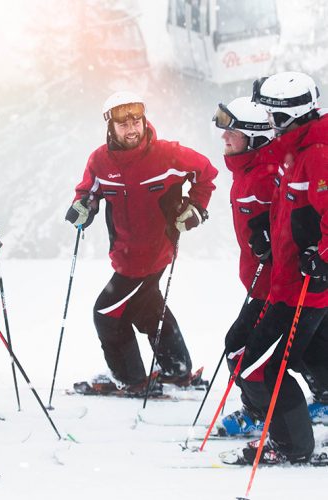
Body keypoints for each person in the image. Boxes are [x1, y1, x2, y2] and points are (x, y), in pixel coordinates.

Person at [65, 91, 218, 395]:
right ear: (111, 127)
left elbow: (206, 175)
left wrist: (196, 208)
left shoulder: (168, 155)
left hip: (152, 252)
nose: (132, 129)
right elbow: (89, 192)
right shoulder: (100, 161)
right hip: (124, 253)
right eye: (123, 124)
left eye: (136, 121)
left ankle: (131, 379)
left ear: (144, 120)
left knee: (106, 315)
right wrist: (83, 206)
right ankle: (177, 370)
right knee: (146, 308)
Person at [222, 72, 328, 466]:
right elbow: (292, 211)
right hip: (285, 282)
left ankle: (293, 446)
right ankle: (289, 429)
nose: (266, 121)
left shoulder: (317, 154)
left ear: (287, 117)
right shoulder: (294, 150)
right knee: (281, 361)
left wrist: (322, 257)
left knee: (258, 368)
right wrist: (265, 232)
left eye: (270, 114)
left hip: (303, 288)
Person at [213, 97, 278, 435]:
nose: (224, 137)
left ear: (254, 138)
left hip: (278, 287)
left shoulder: (268, 175)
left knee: (240, 349)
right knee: (311, 350)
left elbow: (302, 217)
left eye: (232, 133)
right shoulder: (247, 171)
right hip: (261, 283)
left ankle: (262, 413)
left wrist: (273, 236)